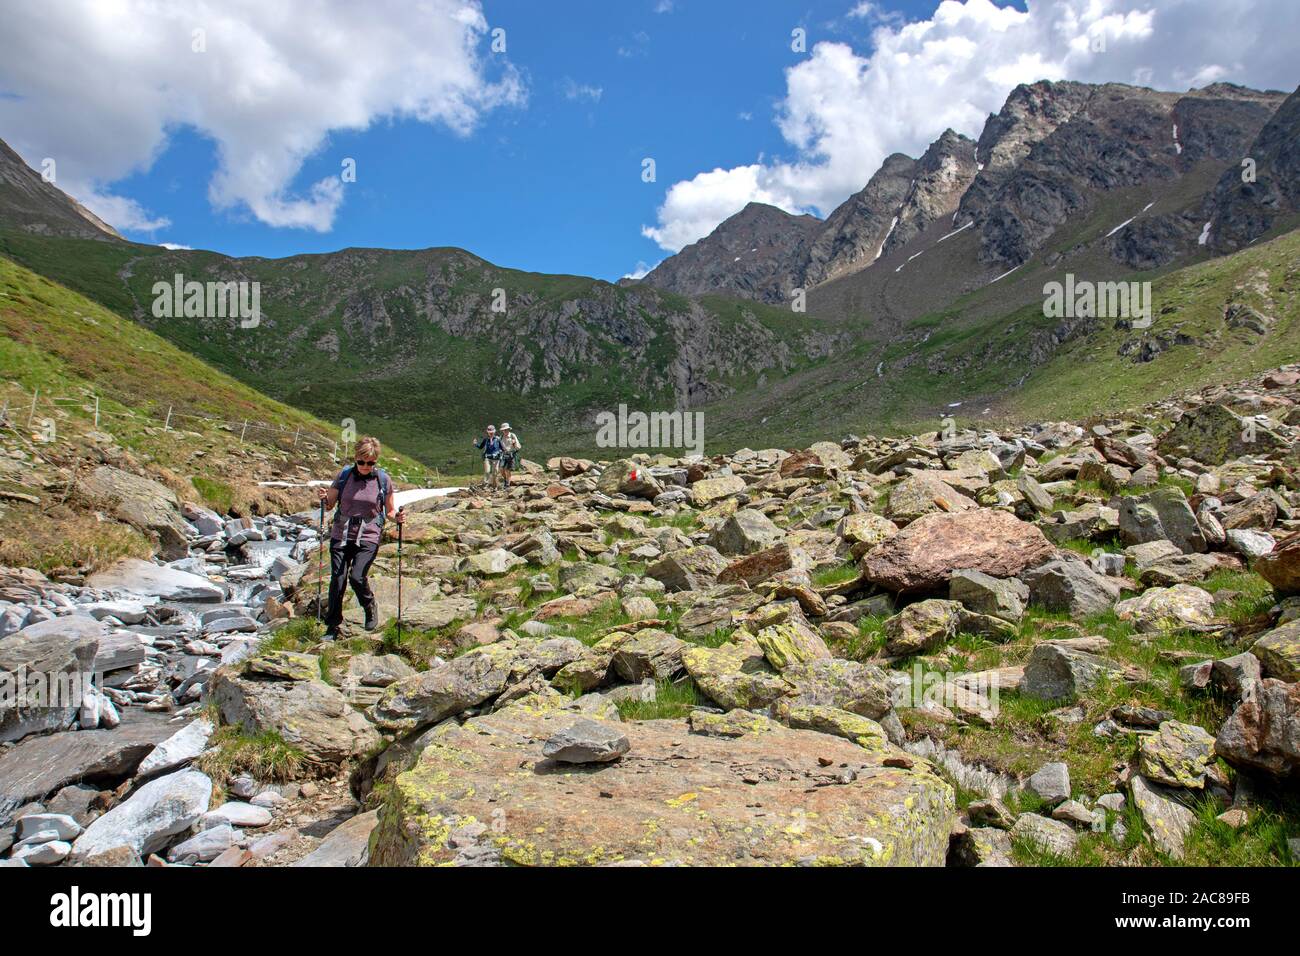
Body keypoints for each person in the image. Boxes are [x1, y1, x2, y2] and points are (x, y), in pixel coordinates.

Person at [316, 435, 404, 640]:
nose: (365, 466)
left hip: (369, 534)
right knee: (337, 579)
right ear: (356, 457)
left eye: (371, 462)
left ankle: (369, 605)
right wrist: (323, 498)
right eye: (361, 461)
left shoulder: (382, 480)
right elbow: (329, 504)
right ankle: (332, 625)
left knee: (356, 576)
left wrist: (397, 518)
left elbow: (389, 511)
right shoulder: (344, 476)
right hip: (341, 533)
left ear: (376, 461)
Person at [473, 424, 502, 491]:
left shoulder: (498, 439)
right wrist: (475, 444)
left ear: (494, 432)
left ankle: (495, 486)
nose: (491, 433)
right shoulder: (486, 439)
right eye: (490, 432)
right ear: (488, 432)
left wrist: (503, 452)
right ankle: (486, 485)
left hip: (496, 458)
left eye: (492, 432)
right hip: (487, 457)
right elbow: (481, 447)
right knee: (487, 471)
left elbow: (502, 448)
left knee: (495, 472)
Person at [499, 422, 522, 489]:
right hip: (503, 454)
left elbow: (518, 446)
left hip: (511, 454)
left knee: (507, 469)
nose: (505, 431)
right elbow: (500, 446)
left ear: (509, 429)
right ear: (502, 430)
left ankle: (507, 484)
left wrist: (514, 444)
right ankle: (506, 480)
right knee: (501, 469)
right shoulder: (501, 437)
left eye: (506, 429)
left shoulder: (512, 435)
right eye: (504, 430)